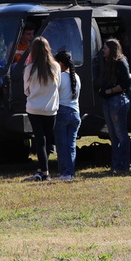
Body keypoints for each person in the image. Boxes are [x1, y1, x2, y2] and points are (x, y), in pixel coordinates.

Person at [24, 36, 60, 181]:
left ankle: (44, 171)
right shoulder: (55, 66)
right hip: (50, 108)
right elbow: (57, 86)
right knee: (47, 140)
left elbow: (25, 89)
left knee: (40, 141)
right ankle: (42, 169)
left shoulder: (29, 68)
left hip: (34, 108)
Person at [97, 38, 131, 172]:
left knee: (121, 134)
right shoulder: (108, 63)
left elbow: (125, 84)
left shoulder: (120, 62)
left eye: (105, 48)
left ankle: (123, 165)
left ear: (112, 49)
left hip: (117, 100)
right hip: (109, 101)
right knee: (113, 135)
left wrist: (110, 91)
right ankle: (116, 164)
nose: (103, 51)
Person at [54, 49, 81, 180]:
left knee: (61, 144)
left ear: (60, 63)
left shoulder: (60, 77)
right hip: (75, 112)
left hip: (62, 110)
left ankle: (64, 171)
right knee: (71, 144)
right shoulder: (76, 77)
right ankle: (70, 171)